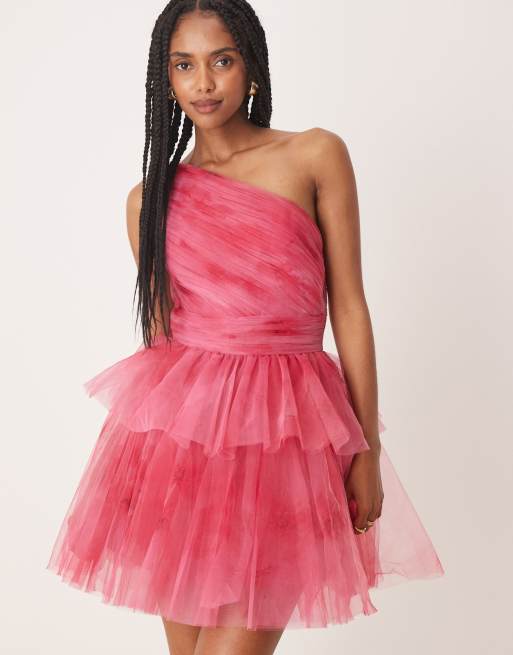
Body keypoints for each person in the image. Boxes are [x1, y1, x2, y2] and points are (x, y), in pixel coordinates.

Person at [46, 2, 445, 654]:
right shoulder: (149, 201)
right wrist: (143, 477)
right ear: (164, 79)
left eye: (221, 61)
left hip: (284, 443)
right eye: (184, 65)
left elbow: (348, 306)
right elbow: (163, 344)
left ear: (251, 67)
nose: (203, 83)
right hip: (186, 463)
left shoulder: (313, 154)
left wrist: (365, 449)